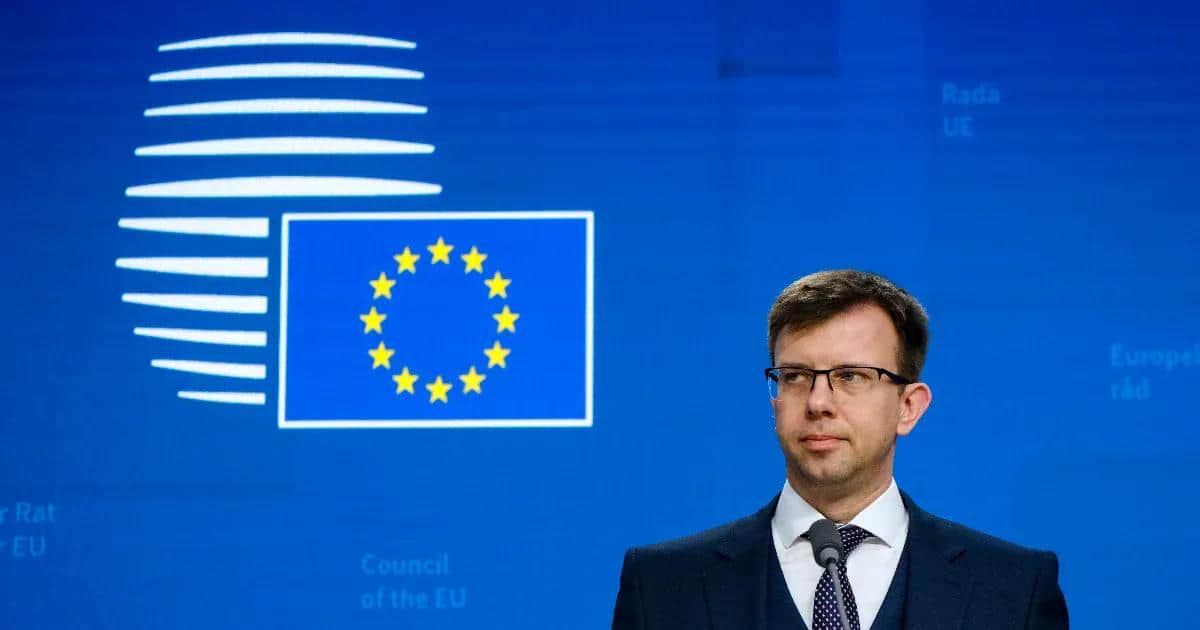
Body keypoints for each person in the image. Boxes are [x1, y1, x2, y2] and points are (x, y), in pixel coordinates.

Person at [611, 270, 1068, 629]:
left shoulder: (1014, 588)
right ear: (775, 399)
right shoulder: (662, 585)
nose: (817, 402)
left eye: (850, 376)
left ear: (909, 406)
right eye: (795, 376)